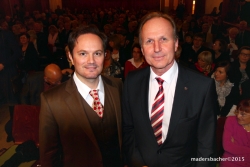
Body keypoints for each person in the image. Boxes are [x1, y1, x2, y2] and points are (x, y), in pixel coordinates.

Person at [122, 12, 217, 167]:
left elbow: (206, 146)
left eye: (164, 39)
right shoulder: (131, 81)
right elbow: (128, 129)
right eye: (149, 41)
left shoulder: (202, 87)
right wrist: (137, 162)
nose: (157, 48)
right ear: (142, 48)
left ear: (176, 43)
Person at [39, 26, 123, 166]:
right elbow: (49, 156)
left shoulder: (117, 86)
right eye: (83, 54)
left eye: (97, 53)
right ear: (70, 57)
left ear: (105, 55)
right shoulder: (51, 100)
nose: (91, 61)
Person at [0, 29, 22, 142]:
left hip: (7, 73)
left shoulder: (6, 34)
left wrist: (4, 64)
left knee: (12, 103)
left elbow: (17, 52)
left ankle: (14, 131)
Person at [220, 99, 250, 167]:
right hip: (230, 162)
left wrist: (237, 147)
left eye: (243, 114)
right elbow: (227, 147)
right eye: (237, 112)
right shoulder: (231, 121)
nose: (238, 116)